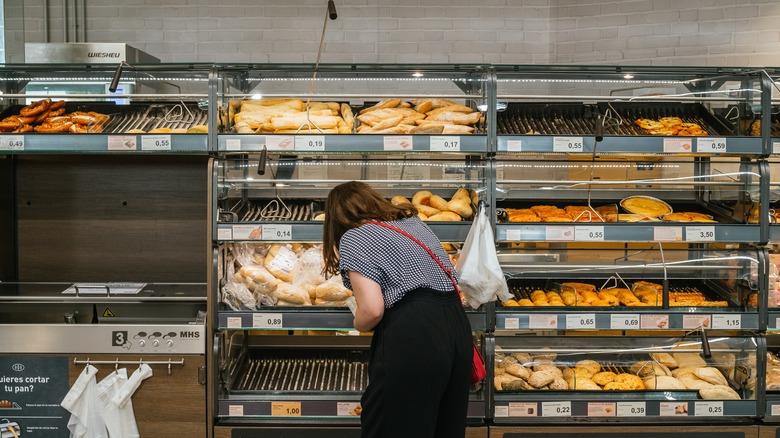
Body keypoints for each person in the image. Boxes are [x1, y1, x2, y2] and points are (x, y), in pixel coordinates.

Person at [322, 181, 472, 438]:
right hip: (456, 328)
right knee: (443, 428)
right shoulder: (414, 224)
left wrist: (358, 323)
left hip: (416, 335)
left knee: (393, 427)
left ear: (338, 218)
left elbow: (372, 310)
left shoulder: (354, 236)